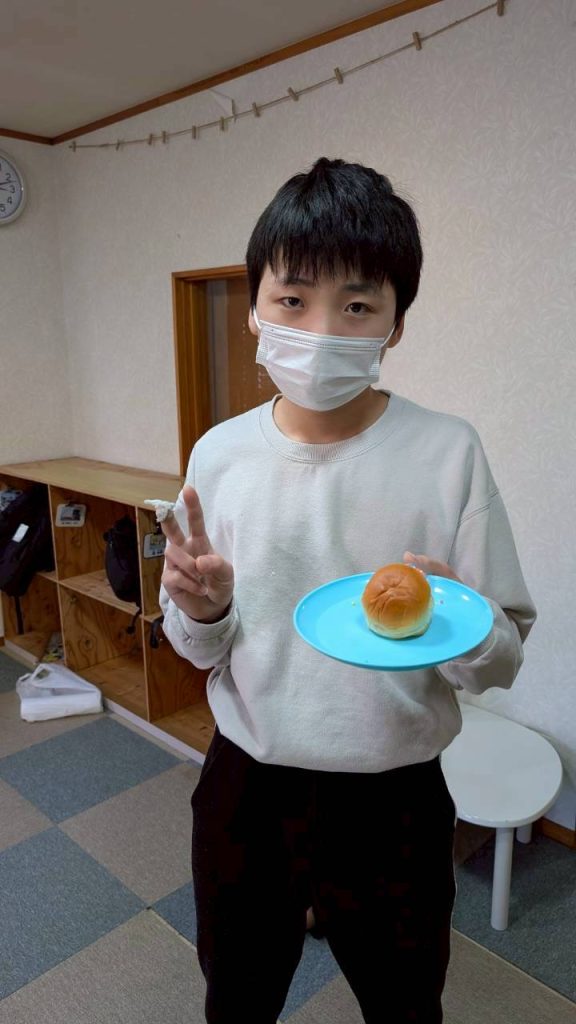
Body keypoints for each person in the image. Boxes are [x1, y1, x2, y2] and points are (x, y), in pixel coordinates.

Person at [159, 157, 536, 1024]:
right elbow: (198, 645)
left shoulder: (448, 451)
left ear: (395, 324)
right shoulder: (220, 453)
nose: (322, 331)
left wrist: (464, 620)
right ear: (255, 307)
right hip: (247, 782)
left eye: (358, 306)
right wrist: (205, 609)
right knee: (236, 997)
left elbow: (501, 661)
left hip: (394, 792)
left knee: (405, 1005)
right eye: (292, 300)